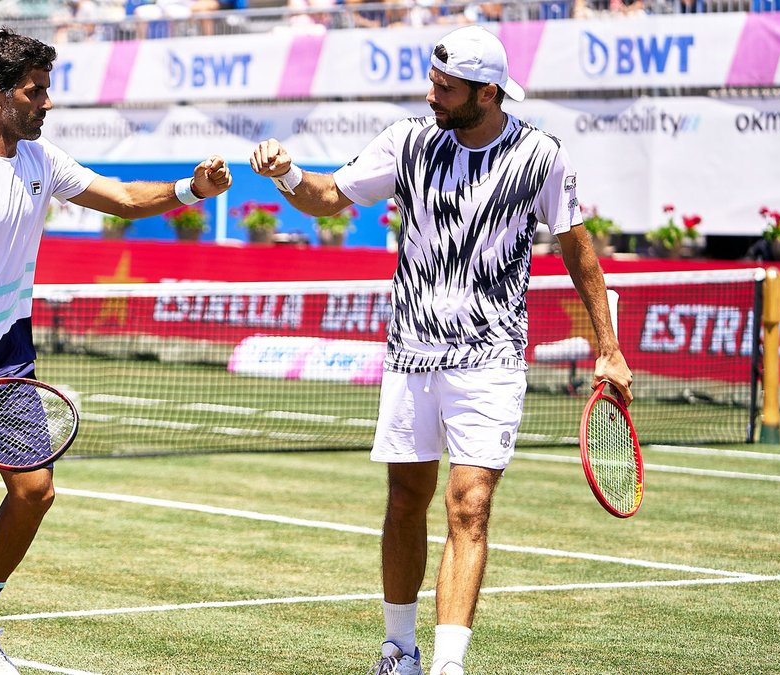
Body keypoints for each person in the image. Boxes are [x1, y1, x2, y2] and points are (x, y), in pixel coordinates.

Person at [249, 25, 632, 675]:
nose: (431, 95)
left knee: (470, 503)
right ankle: (399, 649)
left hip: (491, 357)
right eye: (431, 81)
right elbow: (328, 199)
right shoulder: (407, 142)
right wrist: (286, 175)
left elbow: (579, 252)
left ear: (487, 93)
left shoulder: (541, 156)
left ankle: (450, 664)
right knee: (405, 500)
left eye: (444, 87)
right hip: (411, 354)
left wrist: (609, 346)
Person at [0, 28, 231, 675]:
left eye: (47, 89)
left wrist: (190, 189)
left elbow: (121, 198)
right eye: (36, 90)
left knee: (35, 490)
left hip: (7, 352)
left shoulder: (41, 160)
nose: (47, 102)